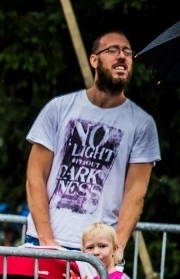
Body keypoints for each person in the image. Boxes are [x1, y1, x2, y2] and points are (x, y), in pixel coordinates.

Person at [24, 30, 161, 262]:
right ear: (94, 60)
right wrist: (47, 241)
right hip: (45, 242)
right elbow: (35, 175)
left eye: (128, 52)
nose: (122, 56)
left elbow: (135, 193)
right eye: (113, 50)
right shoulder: (58, 108)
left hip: (98, 251)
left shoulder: (142, 124)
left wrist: (117, 247)